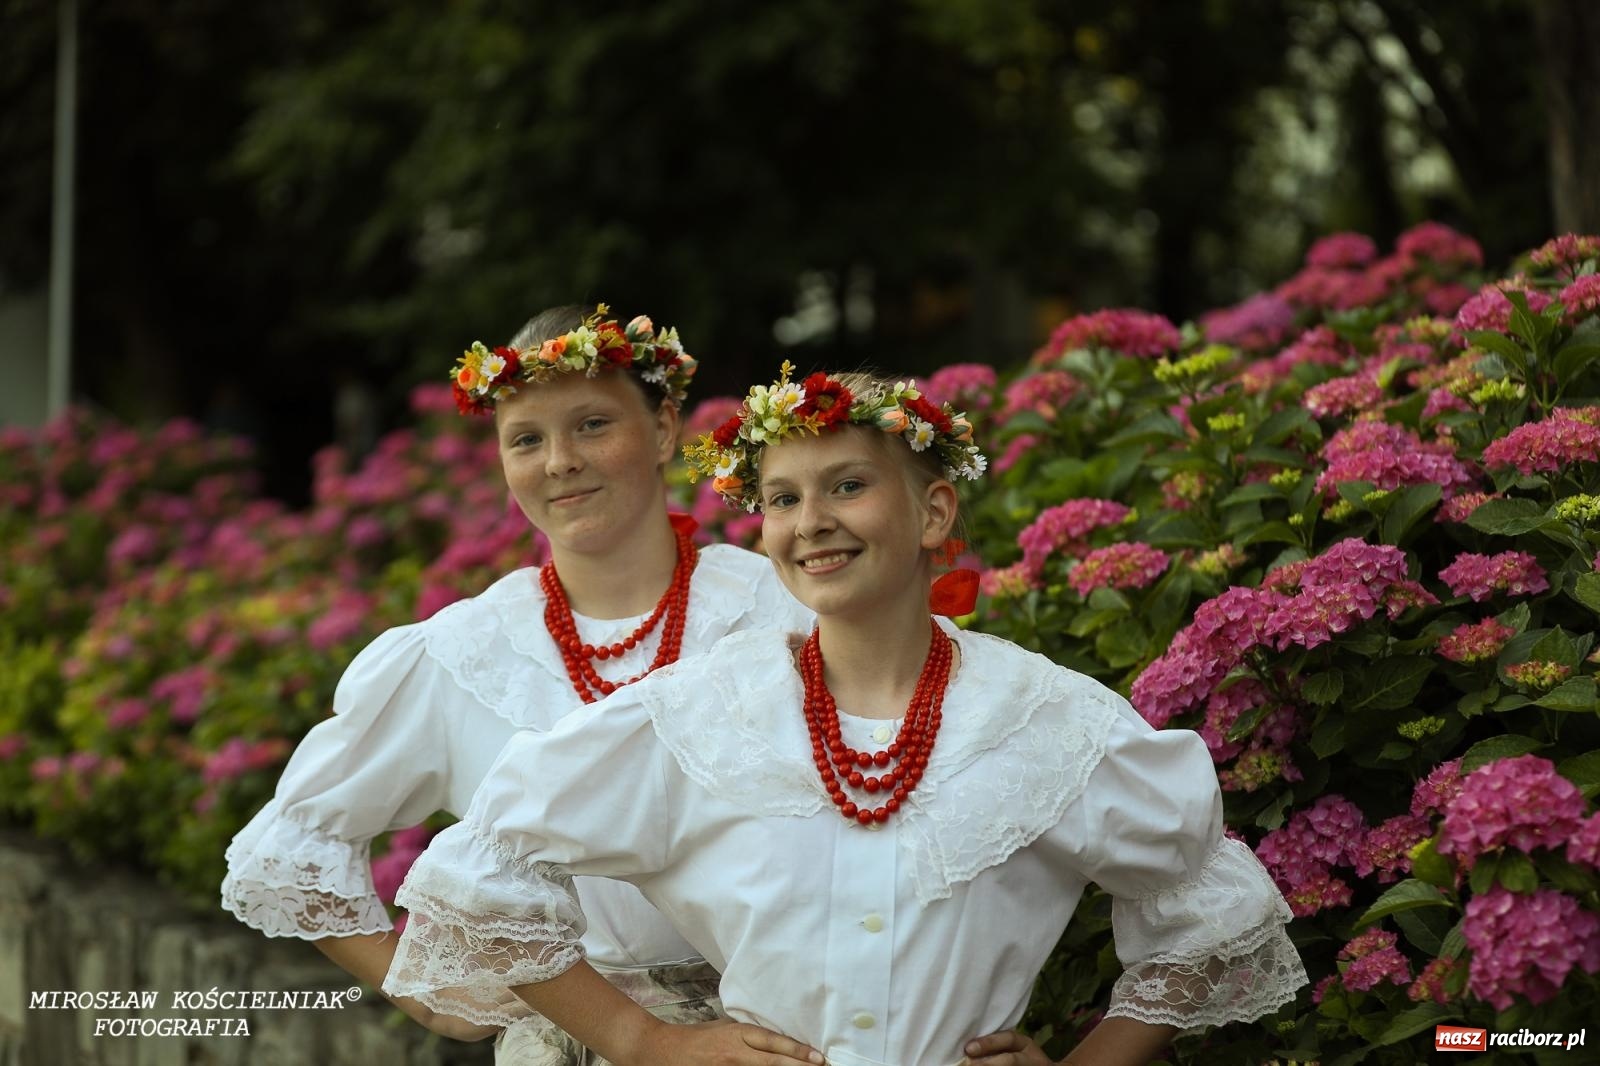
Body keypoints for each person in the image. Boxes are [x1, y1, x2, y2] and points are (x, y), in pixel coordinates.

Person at [381, 365, 1308, 1066]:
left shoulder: (1044, 720)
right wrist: (643, 1040)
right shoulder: (701, 714)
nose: (811, 520)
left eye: (849, 486)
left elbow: (1205, 909)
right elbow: (483, 872)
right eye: (782, 498)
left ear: (934, 508)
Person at [220, 306, 816, 1064]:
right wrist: (432, 997)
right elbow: (289, 845)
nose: (560, 461)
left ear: (665, 430)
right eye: (527, 439)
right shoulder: (463, 652)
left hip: (778, 1031)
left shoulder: (778, 610)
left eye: (593, 424)